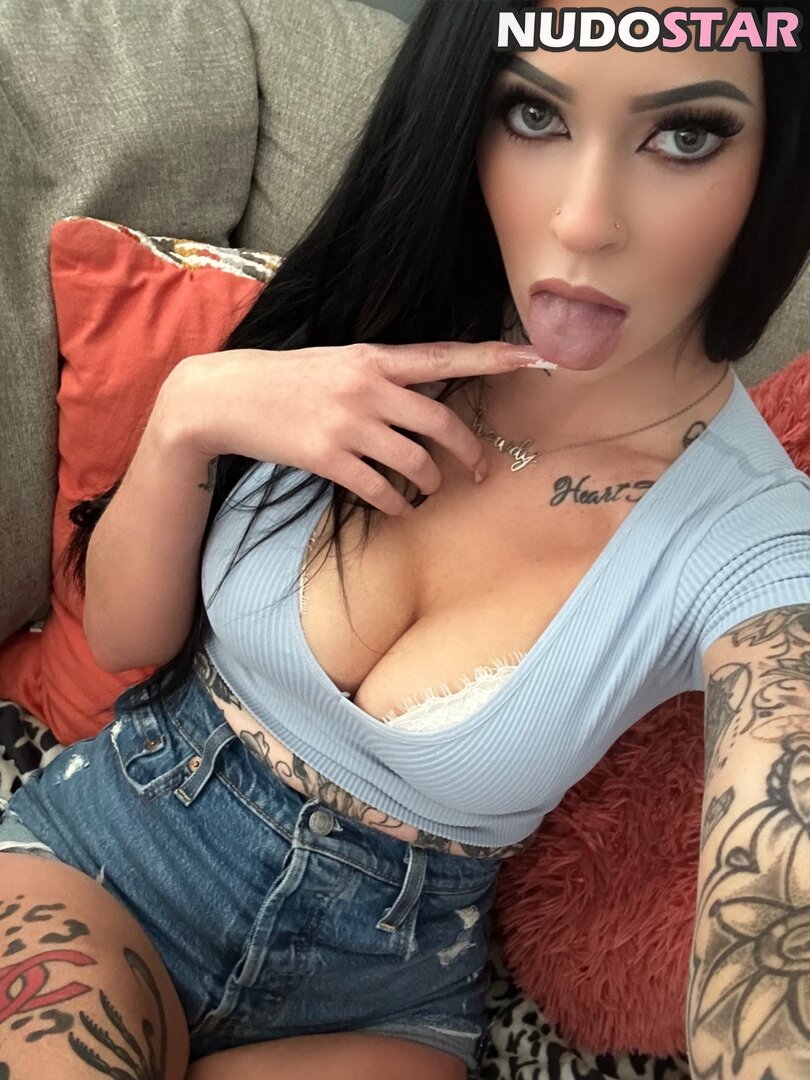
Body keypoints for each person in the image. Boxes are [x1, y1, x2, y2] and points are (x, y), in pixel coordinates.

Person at [1, 1, 808, 1078]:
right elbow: (122, 637)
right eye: (535, 114)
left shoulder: (755, 537)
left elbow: (779, 897)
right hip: (112, 854)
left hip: (381, 996)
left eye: (687, 134)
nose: (582, 221)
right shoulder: (387, 306)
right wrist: (193, 406)